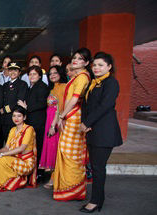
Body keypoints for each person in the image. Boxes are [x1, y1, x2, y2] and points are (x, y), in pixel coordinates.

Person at [79, 52, 123, 213]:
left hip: (104, 132)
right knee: (96, 166)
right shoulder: (94, 82)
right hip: (92, 130)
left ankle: (96, 201)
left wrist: (87, 122)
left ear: (109, 67)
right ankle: (98, 198)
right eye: (95, 65)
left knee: (98, 167)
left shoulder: (111, 83)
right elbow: (86, 105)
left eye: (100, 65)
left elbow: (105, 106)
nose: (96, 68)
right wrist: (85, 123)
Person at [52, 48, 92, 201]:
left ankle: (73, 189)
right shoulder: (77, 76)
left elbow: (74, 100)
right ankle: (67, 187)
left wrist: (62, 116)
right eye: (74, 57)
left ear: (87, 63)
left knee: (71, 155)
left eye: (80, 59)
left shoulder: (82, 77)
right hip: (70, 116)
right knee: (66, 152)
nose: (75, 60)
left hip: (73, 117)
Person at [0, 107, 37, 192]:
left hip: (25, 162)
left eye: (19, 116)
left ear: (24, 117)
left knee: (1, 160)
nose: (16, 118)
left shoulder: (29, 129)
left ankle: (2, 181)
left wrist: (3, 154)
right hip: (13, 159)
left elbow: (21, 148)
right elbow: (6, 148)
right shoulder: (13, 130)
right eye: (14, 116)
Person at [18, 65, 49, 181]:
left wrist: (27, 107)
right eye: (30, 74)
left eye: (34, 74)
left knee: (39, 146)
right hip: (32, 120)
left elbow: (42, 103)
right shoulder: (33, 86)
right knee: (33, 146)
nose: (32, 76)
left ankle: (39, 173)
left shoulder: (42, 87)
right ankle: (34, 171)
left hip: (39, 121)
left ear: (40, 75)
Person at [40, 65, 68, 189]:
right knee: (51, 148)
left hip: (55, 122)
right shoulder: (52, 89)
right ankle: (54, 177)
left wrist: (53, 125)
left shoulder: (63, 87)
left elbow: (60, 108)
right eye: (50, 73)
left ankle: (55, 179)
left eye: (55, 73)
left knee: (56, 150)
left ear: (60, 74)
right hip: (49, 120)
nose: (52, 75)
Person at [1, 62, 28, 149]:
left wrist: (5, 110)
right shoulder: (5, 85)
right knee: (6, 141)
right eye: (11, 70)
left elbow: (19, 101)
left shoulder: (22, 84)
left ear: (19, 72)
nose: (12, 72)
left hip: (15, 117)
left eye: (15, 70)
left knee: (15, 143)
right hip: (4, 119)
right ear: (8, 71)